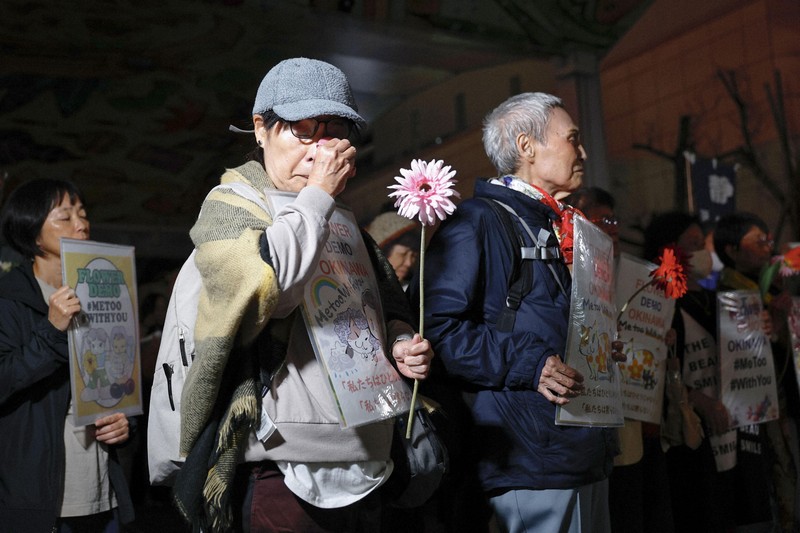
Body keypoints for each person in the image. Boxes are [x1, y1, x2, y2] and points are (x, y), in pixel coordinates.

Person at [173, 57, 434, 533]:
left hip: (369, 454)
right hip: (282, 463)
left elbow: (383, 308)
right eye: (303, 131)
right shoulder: (231, 206)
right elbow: (268, 291)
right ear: (260, 128)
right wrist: (317, 196)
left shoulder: (343, 217)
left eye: (333, 131)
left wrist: (399, 341)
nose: (320, 148)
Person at [415, 92, 618, 533]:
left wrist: (600, 349)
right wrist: (532, 363)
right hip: (531, 457)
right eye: (572, 138)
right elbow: (436, 331)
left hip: (582, 449)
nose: (582, 151)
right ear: (526, 147)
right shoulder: (478, 220)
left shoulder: (561, 225)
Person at [0, 178, 134, 532]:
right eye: (64, 217)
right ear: (32, 234)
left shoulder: (103, 289)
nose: (81, 223)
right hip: (38, 499)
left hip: (101, 490)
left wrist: (124, 421)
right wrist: (51, 330)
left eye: (83, 213)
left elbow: (117, 375)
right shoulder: (8, 300)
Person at [644, 211, 732, 533]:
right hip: (688, 439)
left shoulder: (715, 299)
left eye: (703, 243)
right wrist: (699, 401)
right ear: (671, 250)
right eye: (693, 244)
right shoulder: (660, 304)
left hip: (727, 431)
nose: (704, 253)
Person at [714, 211, 800, 531]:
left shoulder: (771, 291)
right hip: (751, 416)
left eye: (768, 240)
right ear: (732, 250)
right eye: (758, 241)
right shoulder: (727, 298)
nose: (767, 247)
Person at [365, 208, 421, 290]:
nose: (409, 263)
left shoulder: (410, 290)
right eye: (403, 254)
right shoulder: (366, 289)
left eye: (413, 256)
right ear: (382, 253)